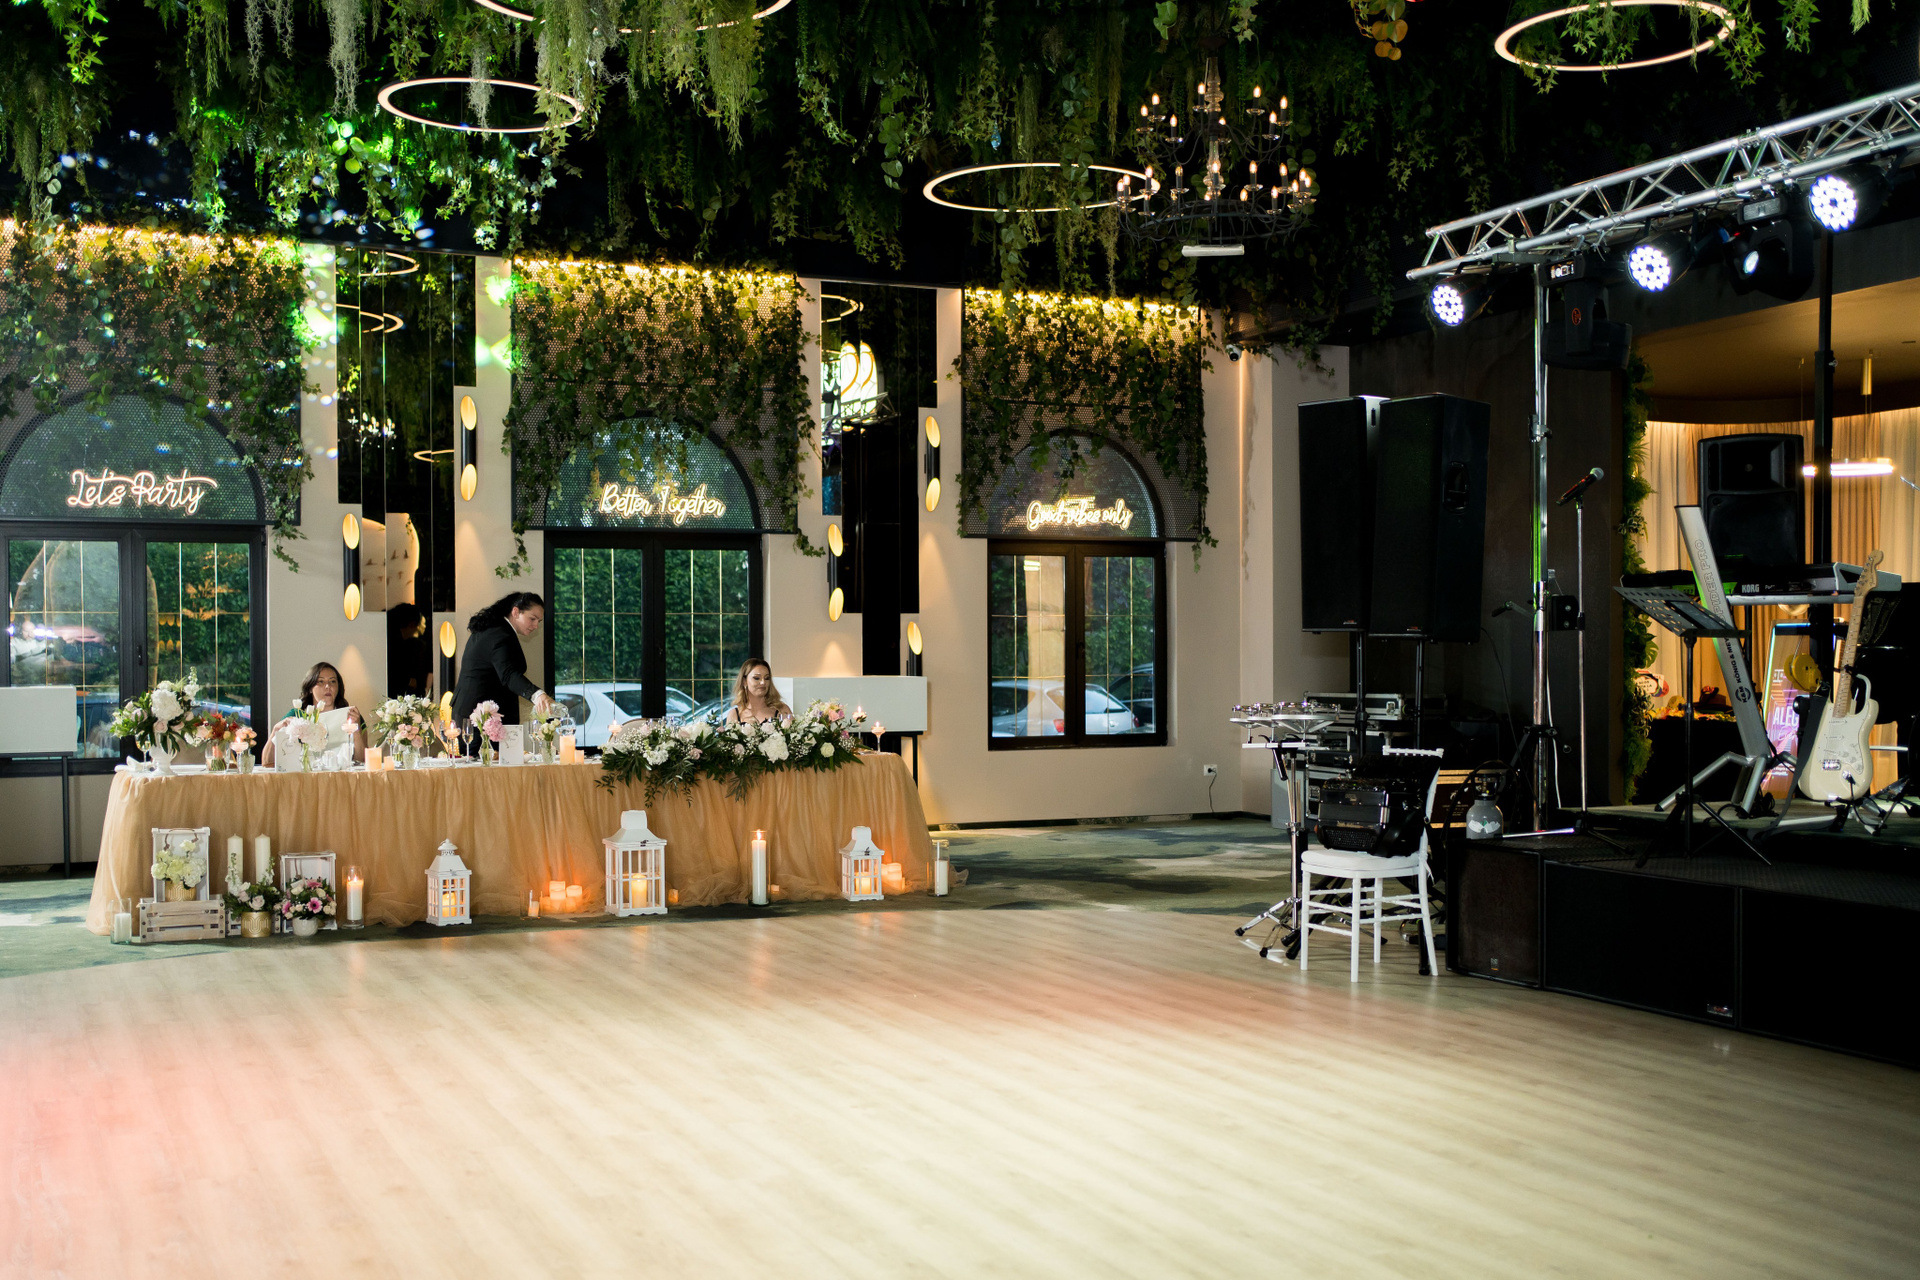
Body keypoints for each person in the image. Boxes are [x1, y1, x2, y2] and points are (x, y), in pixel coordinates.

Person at [451, 590, 553, 730]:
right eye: (532, 619)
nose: (536, 626)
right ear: (515, 612)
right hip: (477, 716)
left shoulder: (496, 628)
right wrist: (537, 695)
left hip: (475, 711)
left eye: (539, 621)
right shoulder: (499, 634)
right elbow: (508, 674)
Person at [261, 662, 366, 766]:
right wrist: (275, 730)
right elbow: (267, 762)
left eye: (333, 681)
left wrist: (356, 730)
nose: (327, 686)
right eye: (321, 681)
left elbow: (362, 760)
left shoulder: (351, 716)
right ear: (310, 688)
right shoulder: (297, 715)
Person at [724, 658, 792, 727]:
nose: (763, 682)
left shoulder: (782, 710)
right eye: (756, 678)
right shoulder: (734, 714)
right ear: (744, 681)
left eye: (767, 678)